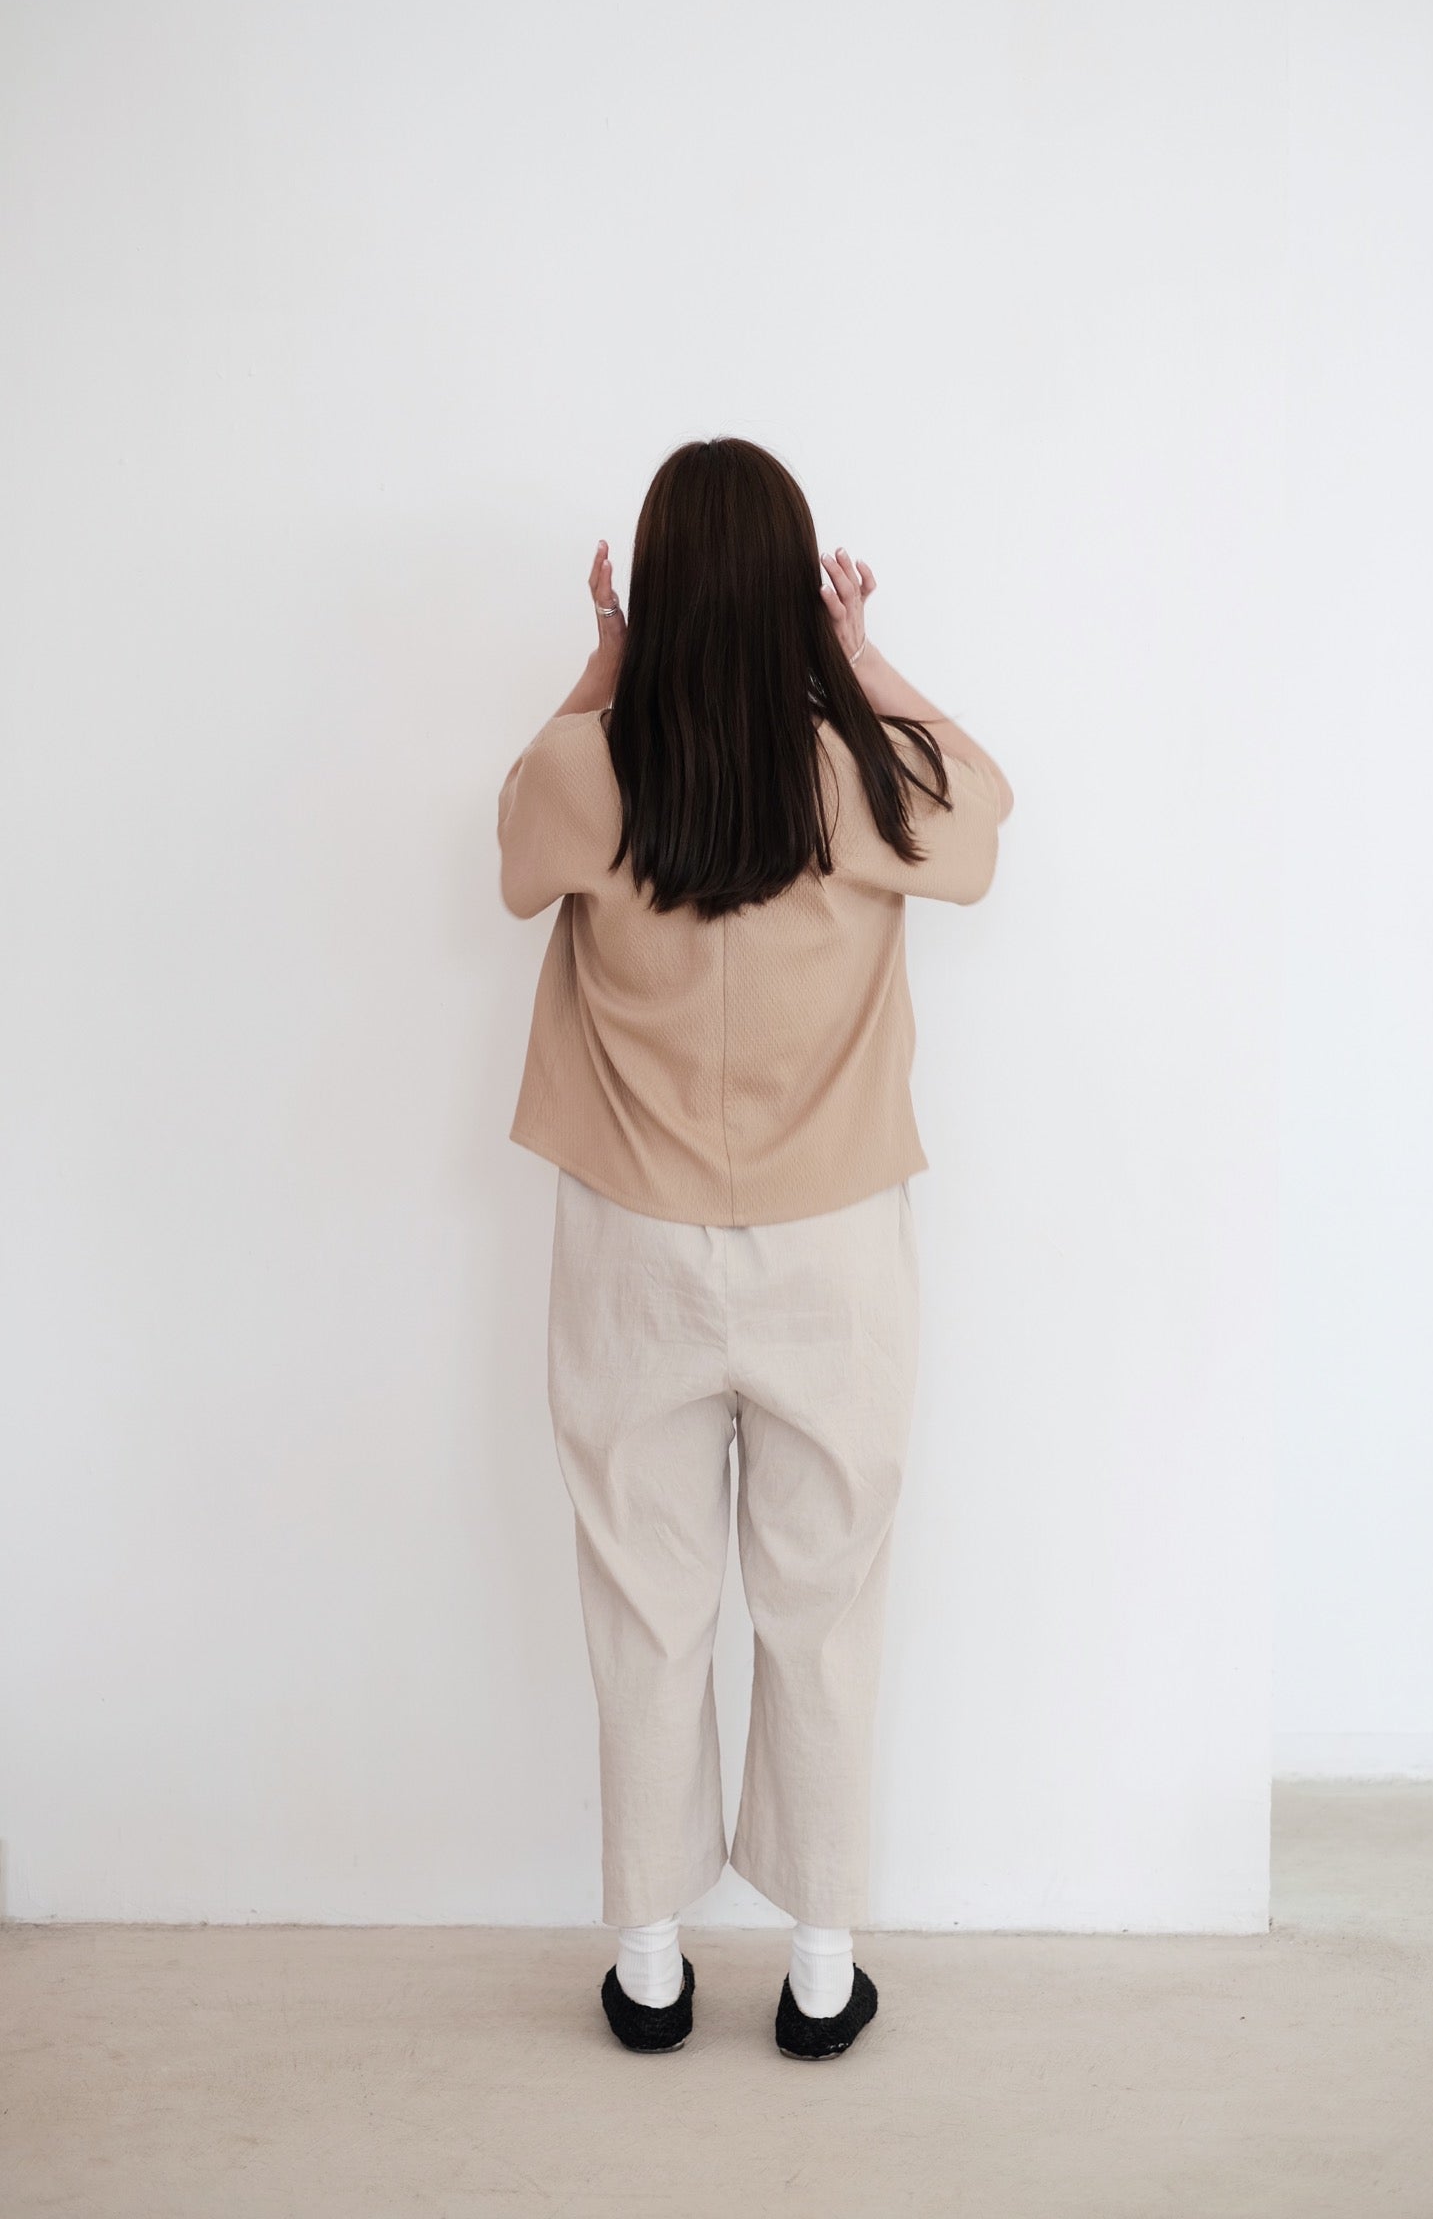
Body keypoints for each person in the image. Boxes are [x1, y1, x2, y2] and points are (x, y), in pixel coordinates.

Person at [496, 437, 1012, 2059]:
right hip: (833, 1247)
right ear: (795, 589)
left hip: (631, 1243)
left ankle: (651, 1968)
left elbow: (513, 846)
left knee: (644, 1602)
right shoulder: (863, 776)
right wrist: (861, 663)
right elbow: (988, 817)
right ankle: (820, 1968)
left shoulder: (595, 773)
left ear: (654, 589)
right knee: (826, 1601)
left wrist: (601, 669)